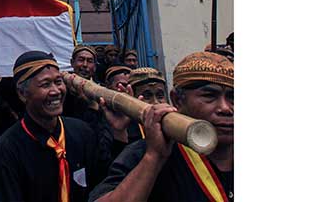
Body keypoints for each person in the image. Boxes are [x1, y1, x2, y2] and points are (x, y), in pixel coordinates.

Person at [88, 52, 234, 201]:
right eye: (210, 96)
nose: (225, 108)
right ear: (177, 100)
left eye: (233, 97)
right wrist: (154, 158)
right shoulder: (147, 152)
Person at [0, 50, 116, 202]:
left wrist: (119, 132)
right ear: (23, 94)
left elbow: (106, 182)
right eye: (45, 84)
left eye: (58, 82)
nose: (56, 91)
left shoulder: (81, 133)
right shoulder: (9, 148)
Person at [64, 45, 101, 124]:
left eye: (90, 61)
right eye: (81, 60)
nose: (85, 64)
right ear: (72, 62)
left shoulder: (100, 89)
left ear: (95, 66)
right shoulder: (62, 87)